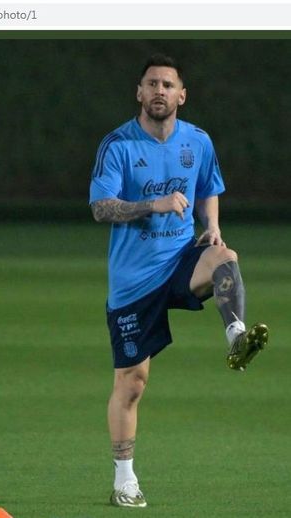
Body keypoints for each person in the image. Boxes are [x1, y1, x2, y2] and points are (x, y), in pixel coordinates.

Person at [89, 54, 268, 508]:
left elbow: (210, 186)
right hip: (133, 282)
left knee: (224, 258)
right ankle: (124, 480)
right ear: (139, 93)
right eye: (151, 84)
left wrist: (212, 225)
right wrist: (154, 205)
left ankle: (236, 336)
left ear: (181, 95)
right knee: (132, 383)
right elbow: (101, 207)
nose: (159, 91)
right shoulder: (119, 145)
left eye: (168, 85)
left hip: (179, 261)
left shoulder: (198, 141)